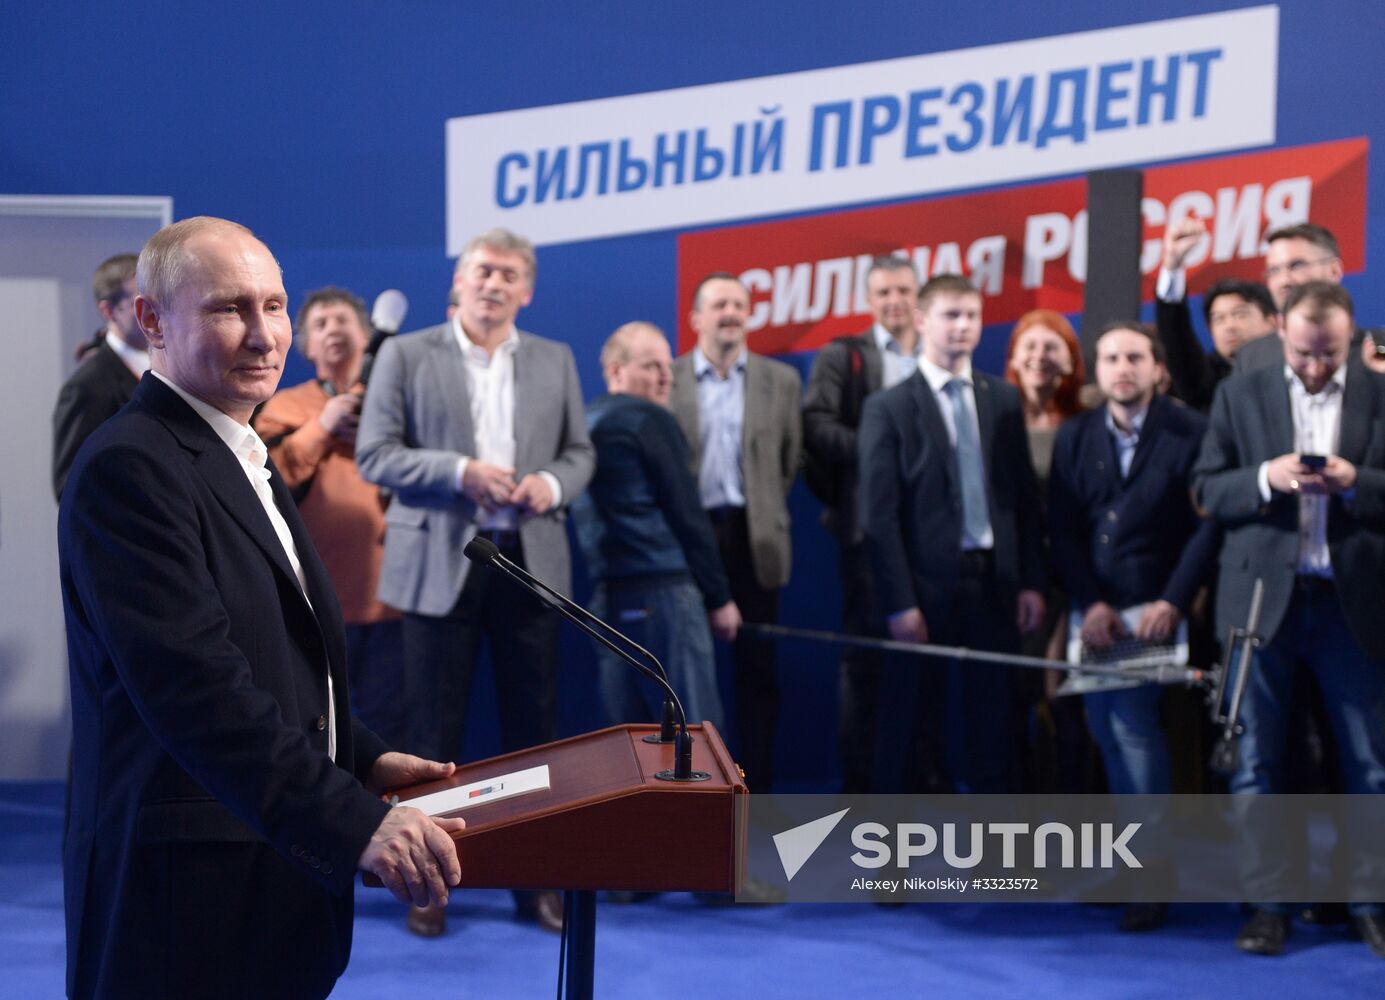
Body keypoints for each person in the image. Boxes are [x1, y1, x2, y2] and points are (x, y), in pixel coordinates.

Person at [58, 217, 465, 1000]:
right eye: (227, 309)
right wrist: (355, 820)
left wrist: (363, 755)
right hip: (184, 903)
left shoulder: (242, 450)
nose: (263, 334)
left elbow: (274, 651)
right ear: (151, 322)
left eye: (274, 306)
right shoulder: (129, 467)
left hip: (265, 875)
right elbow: (195, 691)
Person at [356, 227, 593, 935]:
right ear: (458, 282)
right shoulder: (405, 352)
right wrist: (460, 472)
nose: (493, 283)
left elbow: (580, 452)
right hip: (439, 562)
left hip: (529, 563)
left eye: (508, 274)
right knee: (430, 737)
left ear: (526, 291)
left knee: (534, 737)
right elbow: (375, 454)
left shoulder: (556, 359)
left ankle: (534, 886)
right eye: (482, 271)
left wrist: (552, 483)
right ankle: (427, 887)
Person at [1192, 281, 1385, 958]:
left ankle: (1370, 903)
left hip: (1351, 606)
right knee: (1255, 764)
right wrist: (1266, 477)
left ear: (1350, 336)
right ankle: (1268, 905)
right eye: (1303, 353)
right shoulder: (1237, 394)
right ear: (1279, 330)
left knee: (1369, 765)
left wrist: (1354, 480)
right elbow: (1205, 488)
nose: (1313, 367)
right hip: (1255, 605)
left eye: (1328, 355)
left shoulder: (1378, 390)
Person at [1048, 321, 1218, 931]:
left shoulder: (1190, 431)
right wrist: (1088, 602)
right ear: (1096, 369)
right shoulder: (1076, 435)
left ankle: (1152, 871)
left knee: (1136, 727)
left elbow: (1207, 524)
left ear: (1159, 368)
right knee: (1106, 728)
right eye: (1112, 357)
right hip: (1095, 612)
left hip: (1156, 610)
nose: (1123, 367)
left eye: (1136, 357)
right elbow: (1062, 529)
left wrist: (1174, 598)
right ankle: (1135, 860)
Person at [858, 275, 1046, 794]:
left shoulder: (1003, 399)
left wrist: (1030, 580)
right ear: (921, 320)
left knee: (998, 729)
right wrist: (899, 602)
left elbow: (1023, 500)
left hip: (994, 587)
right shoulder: (888, 407)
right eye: (950, 315)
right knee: (908, 729)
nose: (963, 326)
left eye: (972, 315)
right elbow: (878, 517)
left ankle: (1001, 869)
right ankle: (888, 868)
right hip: (923, 593)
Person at [253, 287, 406, 748]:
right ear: (306, 346)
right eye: (320, 324)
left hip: (392, 596)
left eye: (344, 320)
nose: (333, 330)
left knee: (393, 726)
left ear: (367, 335)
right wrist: (321, 428)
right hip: (314, 600)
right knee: (317, 725)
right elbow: (263, 478)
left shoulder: (398, 398)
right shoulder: (282, 406)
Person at [670, 272, 801, 792]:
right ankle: (691, 796)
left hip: (756, 542)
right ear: (696, 318)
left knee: (758, 677)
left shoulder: (782, 381)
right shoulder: (670, 377)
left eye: (739, 305)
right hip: (689, 540)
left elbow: (788, 463)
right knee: (683, 676)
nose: (730, 313)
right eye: (718, 304)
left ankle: (756, 794)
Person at [572, 321, 738, 730]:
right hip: (667, 599)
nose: (666, 377)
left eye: (667, 366)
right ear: (615, 370)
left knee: (628, 746)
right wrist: (719, 596)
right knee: (695, 740)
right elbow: (687, 515)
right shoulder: (649, 418)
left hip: (610, 602)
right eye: (651, 366)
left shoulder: (583, 426)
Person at [802, 254, 920, 793]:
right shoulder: (843, 356)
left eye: (903, 291)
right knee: (866, 661)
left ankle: (921, 777)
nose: (894, 301)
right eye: (883, 293)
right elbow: (816, 426)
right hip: (867, 534)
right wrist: (880, 452)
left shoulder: (939, 354)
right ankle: (861, 785)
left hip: (932, 535)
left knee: (925, 665)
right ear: (869, 301)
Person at [1002, 309, 1089, 792]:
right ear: (1014, 356)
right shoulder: (995, 413)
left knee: (1065, 698)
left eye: (1051, 346)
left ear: (1070, 358)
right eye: (1030, 346)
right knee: (1015, 698)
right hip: (1015, 580)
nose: (1040, 357)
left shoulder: (1087, 416)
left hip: (1072, 579)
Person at [1153, 217, 1279, 411]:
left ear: (1273, 321)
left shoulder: (1297, 368)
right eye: (1218, 319)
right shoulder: (1208, 380)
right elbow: (1176, 338)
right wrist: (1173, 265)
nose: (1229, 326)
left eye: (1239, 314)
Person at [51, 253, 148, 498]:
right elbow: (70, 486)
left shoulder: (172, 366)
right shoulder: (87, 386)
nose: (153, 311)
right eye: (140, 301)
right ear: (108, 310)